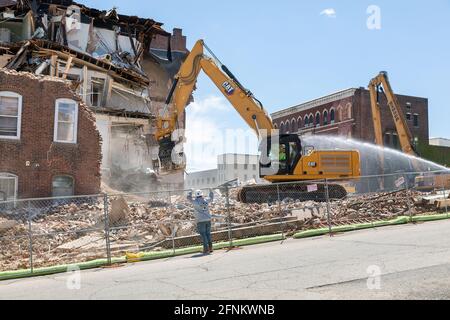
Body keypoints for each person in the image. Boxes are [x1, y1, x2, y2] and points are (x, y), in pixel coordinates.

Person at [187, 189, 215, 255]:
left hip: (200, 221)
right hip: (208, 219)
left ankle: (206, 249)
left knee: (203, 235)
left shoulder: (195, 202)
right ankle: (210, 248)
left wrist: (190, 191)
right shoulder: (206, 200)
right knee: (208, 234)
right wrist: (211, 191)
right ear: (202, 194)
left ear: (196, 196)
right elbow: (211, 198)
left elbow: (188, 198)